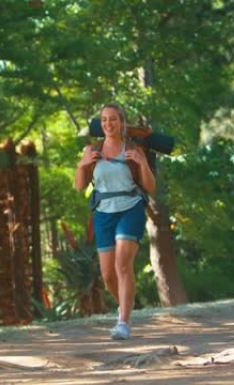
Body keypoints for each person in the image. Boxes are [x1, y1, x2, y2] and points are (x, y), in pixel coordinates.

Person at [75, 103, 156, 340]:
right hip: (103, 213)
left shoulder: (133, 149)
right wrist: (83, 164)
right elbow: (80, 186)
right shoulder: (92, 149)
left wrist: (142, 163)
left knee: (123, 263)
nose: (108, 124)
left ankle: (123, 323)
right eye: (104, 120)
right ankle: (125, 306)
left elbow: (151, 188)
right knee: (108, 274)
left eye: (113, 119)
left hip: (130, 208)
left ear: (122, 122)